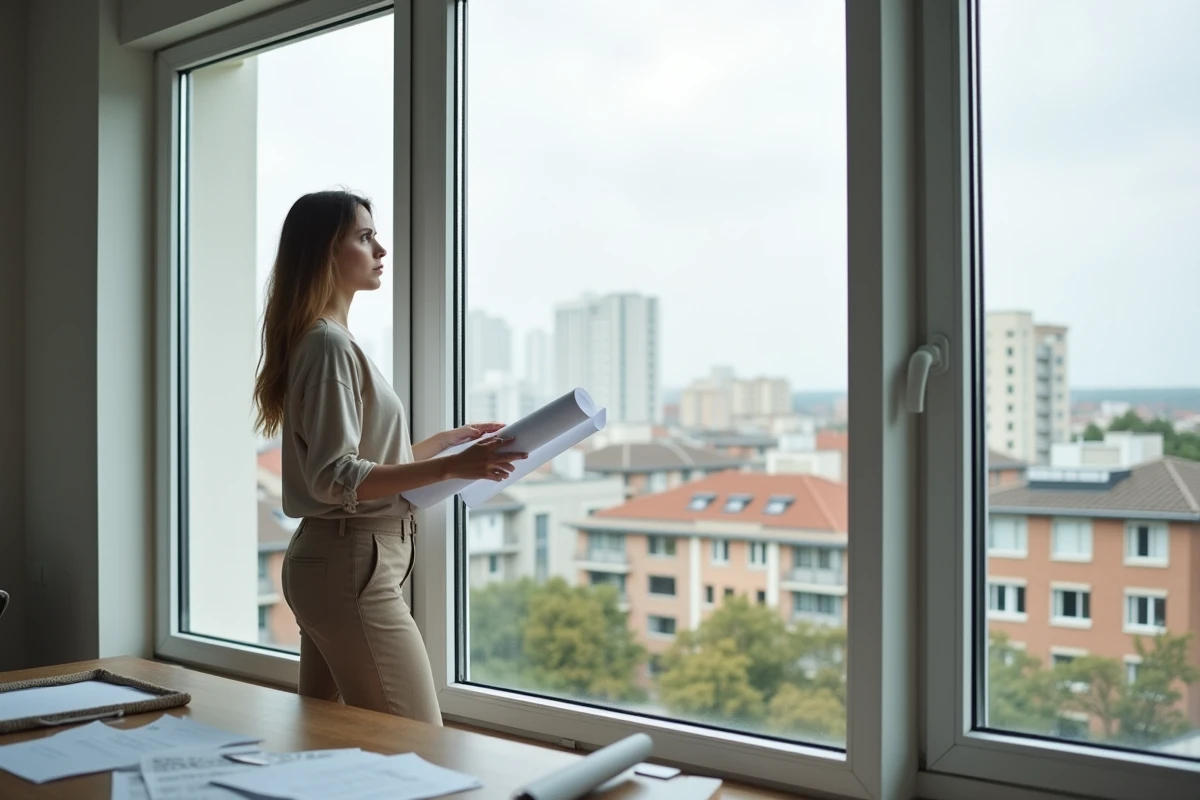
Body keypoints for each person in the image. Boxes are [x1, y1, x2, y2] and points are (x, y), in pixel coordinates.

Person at [252, 190, 526, 725]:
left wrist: (441, 446)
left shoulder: (326, 340)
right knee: (417, 740)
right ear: (326, 252)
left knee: (328, 737)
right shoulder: (328, 346)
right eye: (364, 237)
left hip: (335, 560)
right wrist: (452, 467)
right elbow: (336, 477)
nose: (381, 249)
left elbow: (359, 464)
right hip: (351, 564)